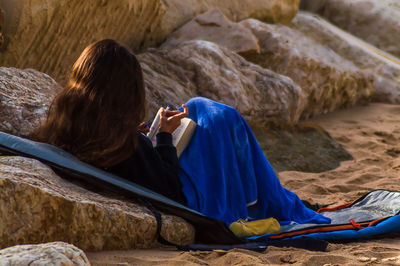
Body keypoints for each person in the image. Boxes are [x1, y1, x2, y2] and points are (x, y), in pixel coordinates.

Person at [34, 39, 330, 226]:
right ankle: (275, 200)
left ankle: (272, 197)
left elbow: (135, 163)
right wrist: (161, 136)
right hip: (189, 199)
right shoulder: (126, 145)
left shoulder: (68, 122)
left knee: (196, 110)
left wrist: (143, 134)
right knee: (216, 115)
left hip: (136, 166)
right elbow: (170, 187)